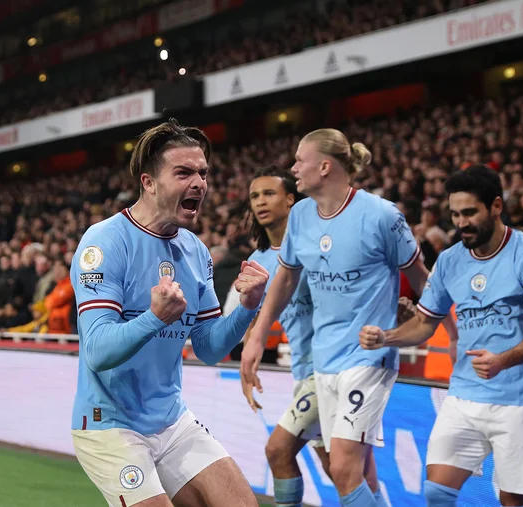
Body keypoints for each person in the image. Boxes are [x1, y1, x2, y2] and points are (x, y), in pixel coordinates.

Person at [242, 128, 456, 507]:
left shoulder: (381, 216)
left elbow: (424, 277)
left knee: (342, 467)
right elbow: (287, 277)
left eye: (299, 160)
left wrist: (453, 333)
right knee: (346, 471)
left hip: (368, 357)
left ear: (324, 167)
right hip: (323, 362)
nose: (293, 168)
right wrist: (258, 335)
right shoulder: (302, 216)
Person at [70, 119, 270, 507]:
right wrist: (153, 318)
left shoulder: (195, 251)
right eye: (184, 172)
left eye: (203, 173)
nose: (199, 183)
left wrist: (248, 307)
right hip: (108, 423)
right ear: (148, 182)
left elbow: (210, 348)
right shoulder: (105, 242)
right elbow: (96, 350)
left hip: (171, 420)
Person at [359, 164, 523, 507]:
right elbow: (424, 324)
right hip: (463, 396)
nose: (461, 223)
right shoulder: (448, 261)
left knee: (515, 501)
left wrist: (503, 360)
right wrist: (386, 337)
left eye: (470, 212)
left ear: (496, 206)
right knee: (436, 492)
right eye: (455, 214)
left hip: (521, 400)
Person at [239, 166, 329, 507]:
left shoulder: (317, 243)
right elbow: (256, 321)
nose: (261, 202)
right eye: (255, 196)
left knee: (277, 450)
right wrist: (247, 368)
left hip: (331, 367)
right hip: (303, 371)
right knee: (337, 468)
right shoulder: (258, 261)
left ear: (291, 199)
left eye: (269, 193)